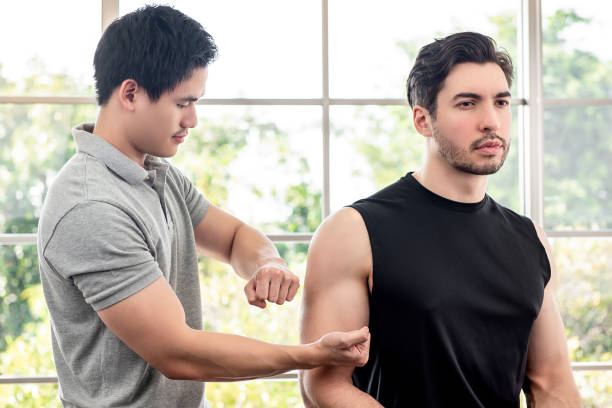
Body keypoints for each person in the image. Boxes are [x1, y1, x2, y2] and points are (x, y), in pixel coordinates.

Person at [37, 5, 369, 408]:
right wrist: (311, 355)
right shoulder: (90, 206)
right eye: (183, 103)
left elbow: (232, 238)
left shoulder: (157, 174)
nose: (193, 120)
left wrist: (268, 263)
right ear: (130, 94)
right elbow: (179, 354)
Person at [299, 32, 581, 407]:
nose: (491, 121)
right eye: (467, 104)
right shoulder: (353, 232)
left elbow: (553, 386)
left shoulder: (530, 240)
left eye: (501, 102)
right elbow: (324, 387)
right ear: (423, 121)